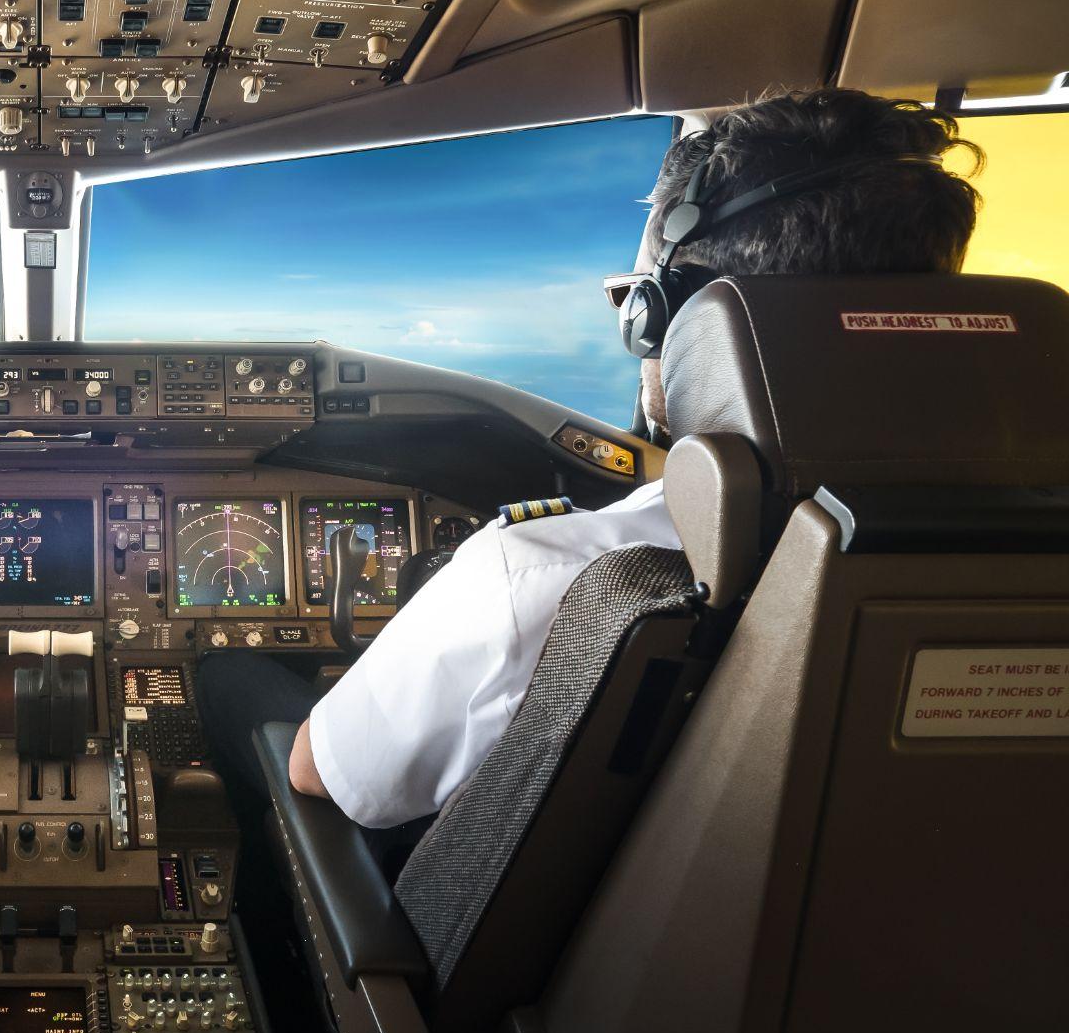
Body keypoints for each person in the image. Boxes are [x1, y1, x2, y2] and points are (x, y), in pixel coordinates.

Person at [196, 88, 982, 833]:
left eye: (633, 295)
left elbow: (317, 773)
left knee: (224, 680)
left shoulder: (553, 578)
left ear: (666, 314)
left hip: (473, 960)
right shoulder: (1006, 554)